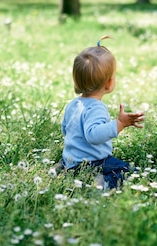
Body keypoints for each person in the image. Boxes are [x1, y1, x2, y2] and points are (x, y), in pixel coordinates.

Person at [60, 36, 145, 189]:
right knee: (129, 172)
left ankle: (64, 170)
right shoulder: (96, 108)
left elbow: (65, 129)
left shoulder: (73, 104)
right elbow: (94, 135)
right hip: (92, 163)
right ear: (109, 83)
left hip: (71, 161)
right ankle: (101, 184)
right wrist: (119, 124)